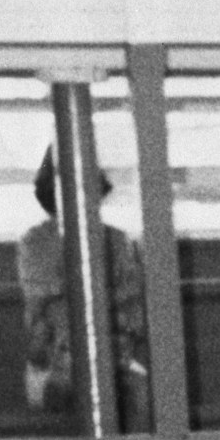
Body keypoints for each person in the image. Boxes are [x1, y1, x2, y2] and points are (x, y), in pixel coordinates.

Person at [17, 149, 150, 426]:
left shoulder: (34, 242)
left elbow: (40, 309)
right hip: (112, 363)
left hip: (63, 364)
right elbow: (134, 313)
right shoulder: (118, 240)